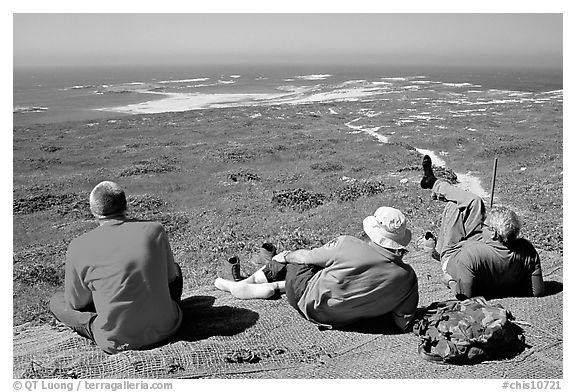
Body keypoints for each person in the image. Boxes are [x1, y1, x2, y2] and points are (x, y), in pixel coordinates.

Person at [214, 207, 419, 332]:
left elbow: (305, 258)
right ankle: (276, 286)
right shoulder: (408, 278)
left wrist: (285, 256)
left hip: (306, 301)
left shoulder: (347, 244)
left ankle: (251, 280)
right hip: (342, 320)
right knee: (328, 268)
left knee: (300, 258)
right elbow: (403, 322)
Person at [49, 181, 183, 354]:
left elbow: (76, 303)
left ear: (93, 211)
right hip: (168, 328)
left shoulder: (78, 246)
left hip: (116, 339)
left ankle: (97, 322)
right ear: (126, 205)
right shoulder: (155, 229)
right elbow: (171, 279)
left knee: (57, 301)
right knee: (175, 269)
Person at [419, 155, 545, 300]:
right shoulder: (527, 251)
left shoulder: (472, 256)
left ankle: (439, 250)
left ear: (493, 232)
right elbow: (538, 291)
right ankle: (433, 182)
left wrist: (449, 281)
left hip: (454, 256)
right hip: (484, 247)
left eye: (484, 225)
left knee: (455, 206)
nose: (482, 225)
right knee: (475, 202)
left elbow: (464, 294)